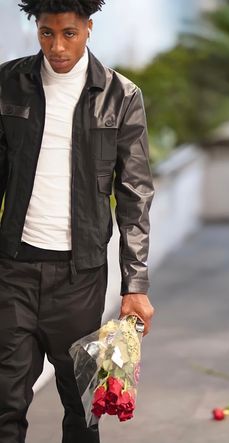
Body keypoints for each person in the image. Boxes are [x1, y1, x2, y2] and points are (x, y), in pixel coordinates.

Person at [0, 0, 155, 442]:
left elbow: (135, 194)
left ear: (88, 28)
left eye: (69, 33)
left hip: (80, 276)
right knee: (5, 400)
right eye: (47, 33)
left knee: (82, 405)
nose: (57, 46)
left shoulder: (121, 96)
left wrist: (135, 284)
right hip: (13, 269)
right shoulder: (9, 84)